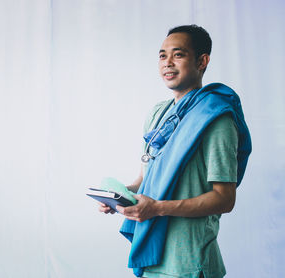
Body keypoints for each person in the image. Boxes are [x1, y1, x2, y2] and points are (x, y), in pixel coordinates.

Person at [99, 25, 251, 278]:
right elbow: (145, 180)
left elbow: (225, 198)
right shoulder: (158, 114)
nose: (167, 63)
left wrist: (157, 208)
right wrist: (120, 198)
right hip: (154, 257)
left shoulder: (216, 119)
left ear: (202, 61)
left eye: (178, 54)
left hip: (190, 264)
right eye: (162, 55)